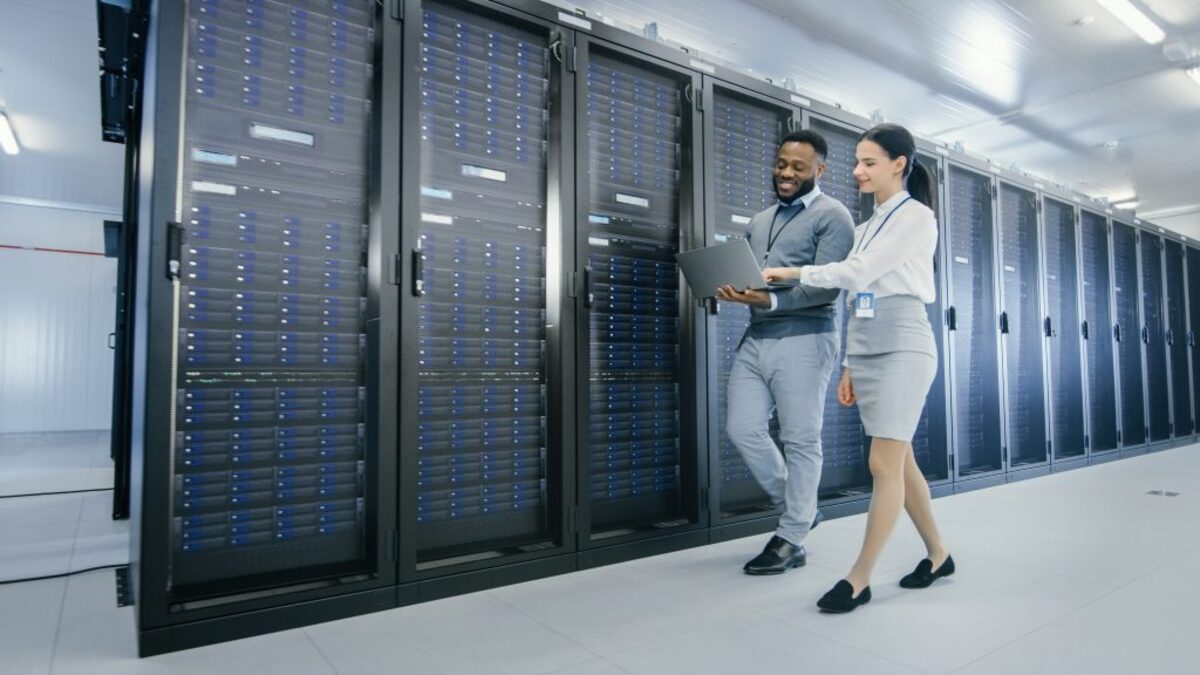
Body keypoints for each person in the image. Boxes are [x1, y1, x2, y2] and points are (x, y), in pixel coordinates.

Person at [764, 123, 954, 612]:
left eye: (869, 162)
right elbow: (859, 299)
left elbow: (857, 273)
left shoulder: (918, 217)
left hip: (905, 344)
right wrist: (849, 362)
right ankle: (939, 554)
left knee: (881, 463)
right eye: (857, 162)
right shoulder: (866, 227)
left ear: (899, 164)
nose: (858, 171)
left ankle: (859, 577)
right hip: (868, 346)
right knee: (901, 461)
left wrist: (793, 270)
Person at [716, 129, 855, 575]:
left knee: (800, 439)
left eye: (798, 166)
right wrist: (730, 289)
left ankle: (791, 536)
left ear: (820, 169)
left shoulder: (834, 217)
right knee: (743, 429)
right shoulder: (759, 220)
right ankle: (800, 509)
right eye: (781, 164)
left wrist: (769, 300)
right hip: (756, 338)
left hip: (805, 338)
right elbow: (754, 277)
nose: (786, 173)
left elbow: (828, 284)